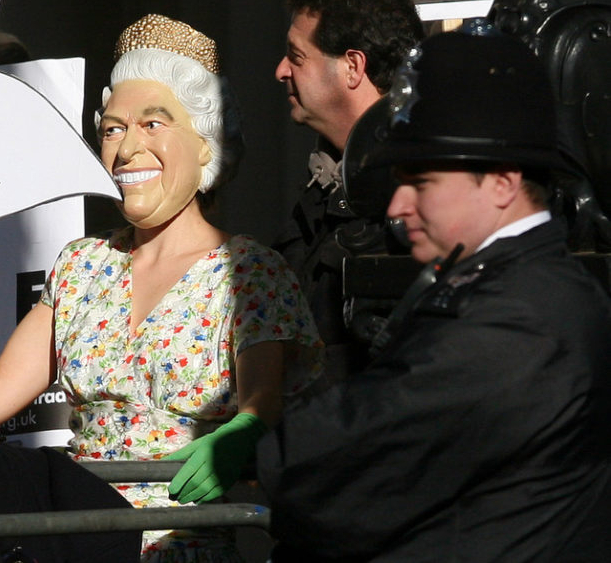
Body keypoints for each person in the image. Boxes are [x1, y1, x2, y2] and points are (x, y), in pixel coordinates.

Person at [0, 14, 323, 562]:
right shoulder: (82, 266)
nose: (126, 147)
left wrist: (243, 433)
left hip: (184, 548)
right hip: (80, 543)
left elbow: (264, 403)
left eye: (153, 124)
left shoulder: (250, 271)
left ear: (206, 143)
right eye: (113, 128)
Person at [256, 31, 611, 561]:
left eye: (419, 181)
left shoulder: (519, 317)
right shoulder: (515, 289)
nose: (396, 206)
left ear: (500, 182)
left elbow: (310, 463)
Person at [271, 0, 424, 378]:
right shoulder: (321, 187)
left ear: (353, 66)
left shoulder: (413, 200)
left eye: (297, 56)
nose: (281, 71)